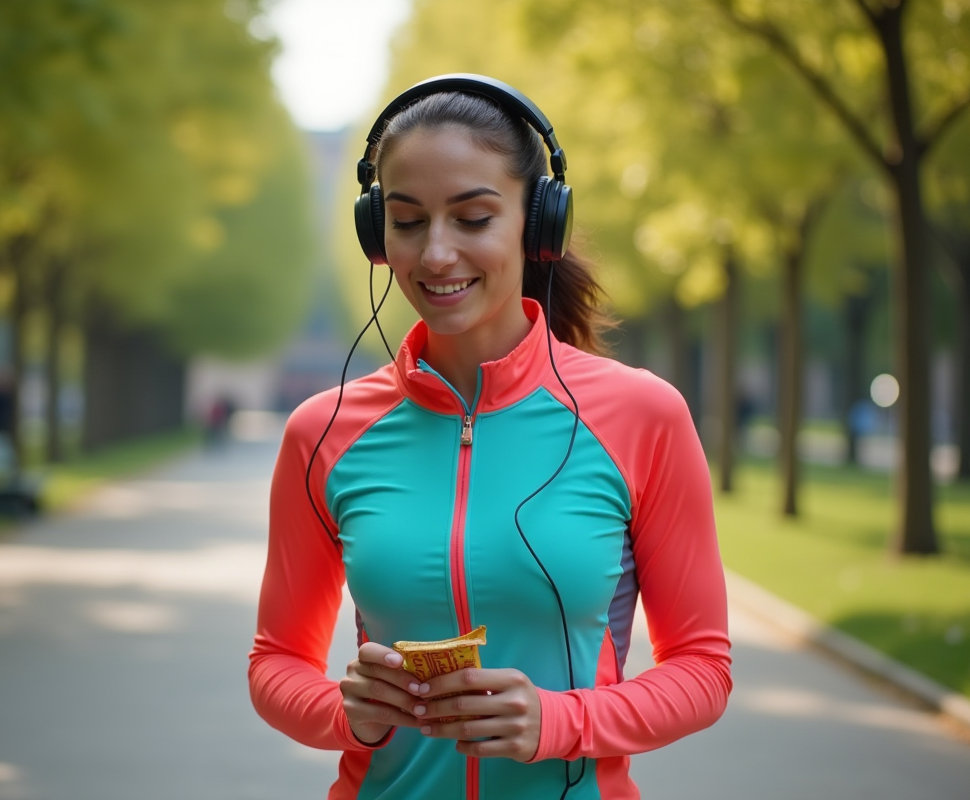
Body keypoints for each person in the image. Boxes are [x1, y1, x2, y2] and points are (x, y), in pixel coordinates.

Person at [249, 75, 731, 800]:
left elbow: (702, 668)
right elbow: (275, 662)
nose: (436, 254)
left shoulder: (642, 416)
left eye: (472, 218)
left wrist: (560, 722)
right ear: (377, 232)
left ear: (538, 226)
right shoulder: (322, 432)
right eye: (407, 222)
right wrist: (346, 714)